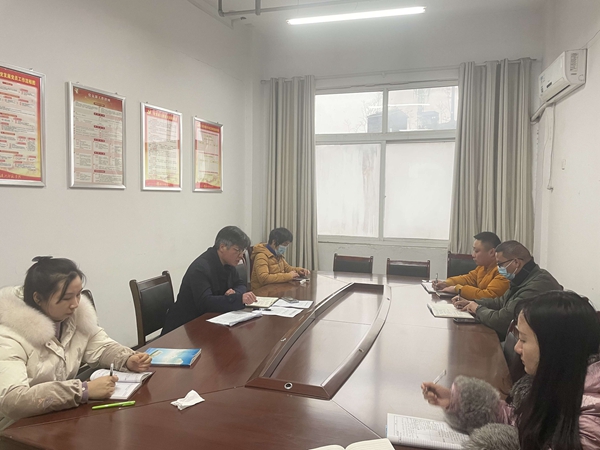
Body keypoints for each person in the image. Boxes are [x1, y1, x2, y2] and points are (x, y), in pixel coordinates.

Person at [422, 290, 600, 450]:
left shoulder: (591, 419)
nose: (517, 348)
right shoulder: (559, 379)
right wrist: (457, 402)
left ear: (555, 347)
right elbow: (518, 420)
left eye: (524, 339)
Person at [0, 257, 152, 430]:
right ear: (38, 298)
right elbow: (11, 400)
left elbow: (100, 346)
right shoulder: (8, 336)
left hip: (57, 418)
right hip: (15, 429)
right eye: (66, 298)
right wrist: (82, 390)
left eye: (78, 294)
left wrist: (127, 359)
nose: (75, 304)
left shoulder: (73, 317)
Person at [454, 240, 562, 340]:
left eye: (500, 264)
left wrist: (477, 309)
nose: (498, 268)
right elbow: (501, 301)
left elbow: (502, 321)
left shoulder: (537, 285)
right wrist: (472, 302)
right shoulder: (523, 277)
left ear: (516, 262)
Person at [162, 226, 257, 334]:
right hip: (184, 328)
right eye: (237, 250)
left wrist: (236, 293)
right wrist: (238, 299)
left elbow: (240, 284)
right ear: (222, 247)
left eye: (242, 251)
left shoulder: (228, 264)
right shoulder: (200, 268)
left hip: (210, 321)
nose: (241, 256)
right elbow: (206, 303)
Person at [433, 232, 509, 300]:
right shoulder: (482, 267)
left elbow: (489, 295)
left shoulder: (504, 271)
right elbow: (468, 279)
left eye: (476, 251)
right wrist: (446, 283)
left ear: (492, 252)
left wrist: (458, 289)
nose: (473, 255)